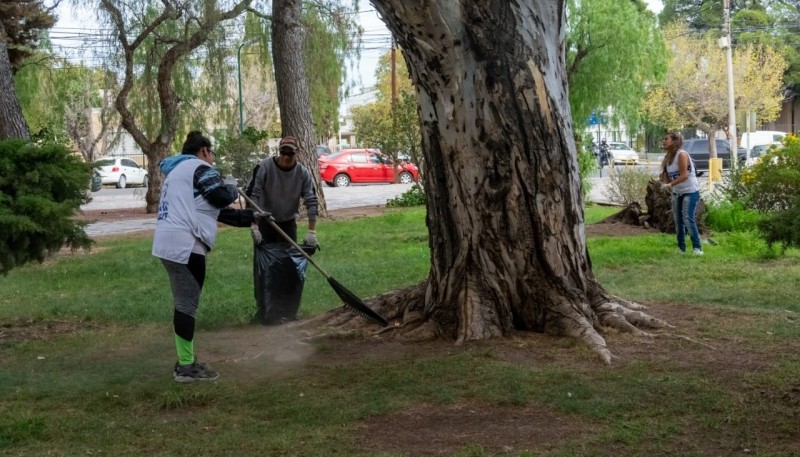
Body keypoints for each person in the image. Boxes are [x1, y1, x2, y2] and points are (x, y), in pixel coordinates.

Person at [152, 131, 257, 383]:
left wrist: (254, 218)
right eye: (213, 155)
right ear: (204, 151)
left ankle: (185, 362)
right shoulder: (199, 167)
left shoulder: (178, 173)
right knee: (186, 305)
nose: (213, 160)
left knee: (183, 303)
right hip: (186, 245)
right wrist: (232, 186)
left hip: (168, 243)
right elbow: (221, 196)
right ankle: (186, 367)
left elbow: (217, 211)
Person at [247, 136, 319, 324]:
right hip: (265, 223)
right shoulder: (265, 167)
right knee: (264, 271)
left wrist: (312, 232)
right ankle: (265, 311)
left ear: (297, 153)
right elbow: (253, 196)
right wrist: (254, 226)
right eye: (283, 152)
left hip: (287, 224)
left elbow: (311, 201)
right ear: (279, 152)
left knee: (289, 270)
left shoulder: (302, 173)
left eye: (290, 153)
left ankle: (287, 311)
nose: (286, 157)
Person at [660, 132, 703, 255]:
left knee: (687, 218)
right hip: (677, 192)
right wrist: (664, 182)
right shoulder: (668, 158)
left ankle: (697, 248)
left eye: (666, 139)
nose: (663, 141)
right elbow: (668, 177)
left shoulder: (682, 155)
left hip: (690, 191)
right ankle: (681, 248)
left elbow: (684, 175)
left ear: (674, 141)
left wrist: (669, 185)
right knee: (678, 220)